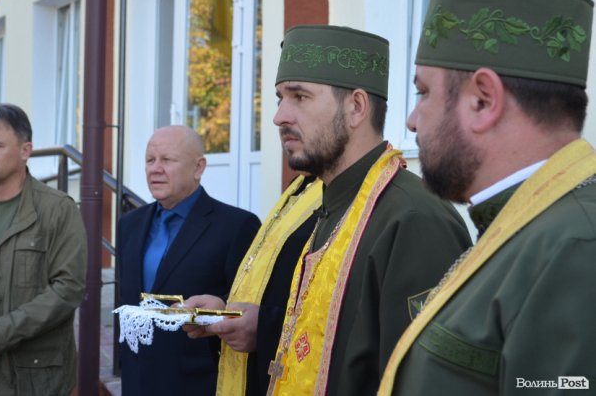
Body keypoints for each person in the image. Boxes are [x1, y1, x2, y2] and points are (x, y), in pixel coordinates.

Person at [378, 0, 596, 396]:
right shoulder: (532, 225)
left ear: (483, 101)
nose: (411, 120)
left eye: (423, 92)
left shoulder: (577, 246)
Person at [264, 25, 472, 396]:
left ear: (356, 107)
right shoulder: (331, 206)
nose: (280, 116)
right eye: (280, 98)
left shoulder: (415, 220)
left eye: (299, 96)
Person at [0, 103, 87, 395]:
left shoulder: (57, 209)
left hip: (29, 376)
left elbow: (68, 289)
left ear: (25, 150)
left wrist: (0, 333)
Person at [117, 125, 261, 395]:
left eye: (167, 159)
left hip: (198, 380)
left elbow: (247, 304)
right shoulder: (130, 223)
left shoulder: (236, 226)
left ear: (198, 168)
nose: (155, 169)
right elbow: (126, 299)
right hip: (138, 378)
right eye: (150, 160)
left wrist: (218, 308)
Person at [183, 173, 322, 396]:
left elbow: (337, 308)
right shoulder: (299, 185)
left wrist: (266, 328)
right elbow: (271, 280)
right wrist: (223, 309)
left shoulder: (356, 193)